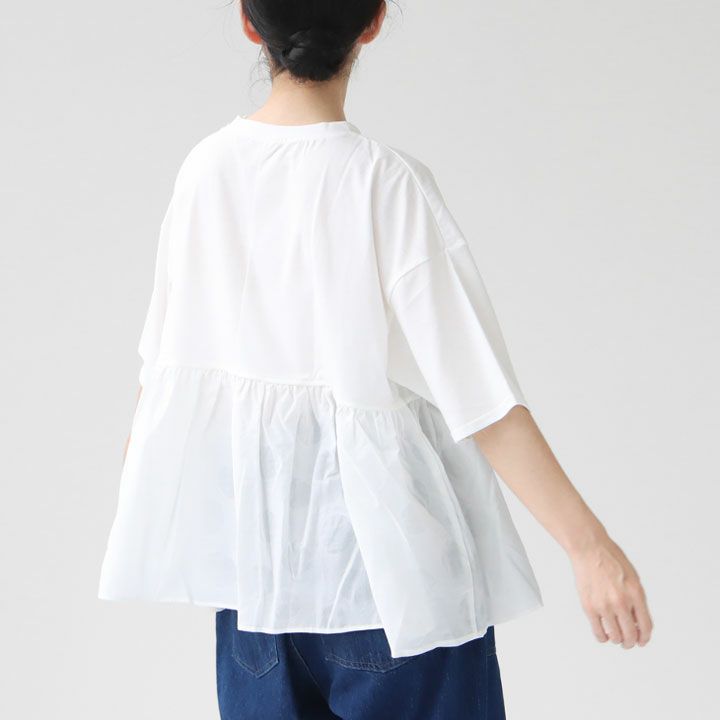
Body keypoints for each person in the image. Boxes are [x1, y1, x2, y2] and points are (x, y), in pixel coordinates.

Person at [98, 1, 654, 717]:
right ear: (373, 21)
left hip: (255, 595)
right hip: (392, 591)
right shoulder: (383, 182)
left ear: (248, 21)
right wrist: (589, 548)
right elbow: (480, 395)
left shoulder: (205, 171)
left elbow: (161, 380)